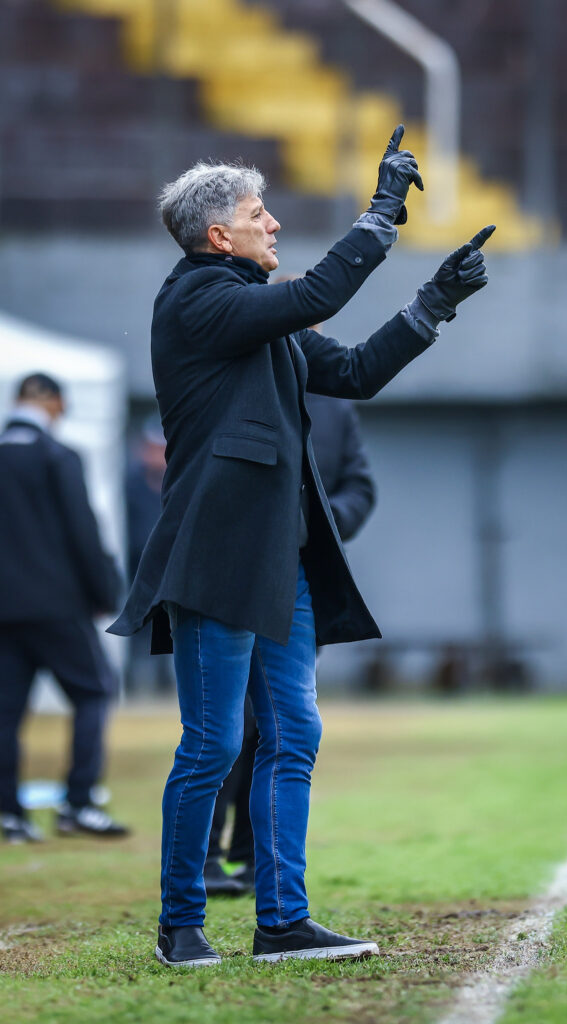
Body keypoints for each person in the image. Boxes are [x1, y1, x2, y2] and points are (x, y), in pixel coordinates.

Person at [108, 124, 495, 967]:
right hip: (217, 562)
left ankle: (282, 921)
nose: (274, 223)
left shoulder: (258, 316)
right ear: (220, 236)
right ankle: (180, 926)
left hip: (283, 568)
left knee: (293, 736)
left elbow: (353, 373)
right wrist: (382, 212)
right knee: (213, 745)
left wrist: (434, 303)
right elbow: (318, 294)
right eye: (260, 214)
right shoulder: (199, 301)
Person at [204, 389, 377, 896]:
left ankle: (254, 859)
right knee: (227, 726)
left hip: (299, 580)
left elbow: (361, 487)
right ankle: (206, 858)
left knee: (281, 727)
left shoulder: (335, 406)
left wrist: (315, 519)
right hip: (235, 574)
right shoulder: (235, 382)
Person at [0, 373, 129, 842]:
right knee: (94, 691)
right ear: (52, 401)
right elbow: (82, 530)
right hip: (58, 605)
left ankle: (9, 814)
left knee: (5, 711)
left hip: (3, 609)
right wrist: (104, 593)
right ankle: (79, 803)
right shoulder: (58, 455)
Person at [125, 417, 174, 694]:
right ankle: (139, 687)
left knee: (169, 629)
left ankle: (166, 685)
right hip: (138, 571)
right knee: (140, 632)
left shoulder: (178, 479)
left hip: (171, 570)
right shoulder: (131, 482)